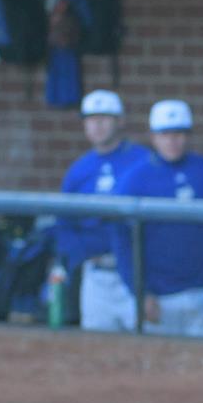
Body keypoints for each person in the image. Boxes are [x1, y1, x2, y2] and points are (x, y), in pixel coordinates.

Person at [112, 100, 203, 337]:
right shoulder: (135, 177)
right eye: (165, 134)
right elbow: (122, 240)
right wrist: (140, 291)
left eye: (179, 134)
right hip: (160, 295)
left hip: (202, 288)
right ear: (153, 137)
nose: (173, 141)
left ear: (189, 135)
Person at [54, 89, 152, 332]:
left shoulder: (144, 160)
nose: (96, 126)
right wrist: (81, 254)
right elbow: (64, 224)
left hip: (138, 273)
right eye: (90, 119)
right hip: (96, 274)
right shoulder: (79, 169)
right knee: (97, 348)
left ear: (120, 121)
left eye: (104, 118)